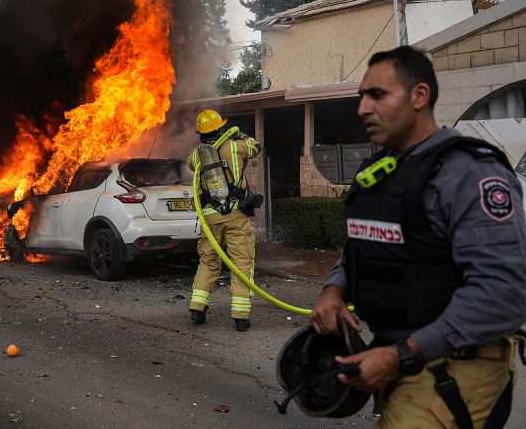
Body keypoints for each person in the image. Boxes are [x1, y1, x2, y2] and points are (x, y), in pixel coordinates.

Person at [310, 46, 526, 428]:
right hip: (405, 358)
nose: (362, 109)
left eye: (377, 95)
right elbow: (365, 242)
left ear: (419, 96)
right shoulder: (385, 169)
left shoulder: (468, 174)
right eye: (361, 96)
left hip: (458, 368)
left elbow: (502, 293)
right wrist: (334, 289)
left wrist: (400, 356)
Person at [187, 109, 261, 331]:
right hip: (236, 215)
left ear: (201, 134)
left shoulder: (198, 155)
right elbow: (256, 148)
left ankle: (197, 309)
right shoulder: (237, 145)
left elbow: (190, 164)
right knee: (241, 263)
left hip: (210, 218)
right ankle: (241, 317)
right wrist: (238, 134)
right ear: (222, 126)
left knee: (208, 262)